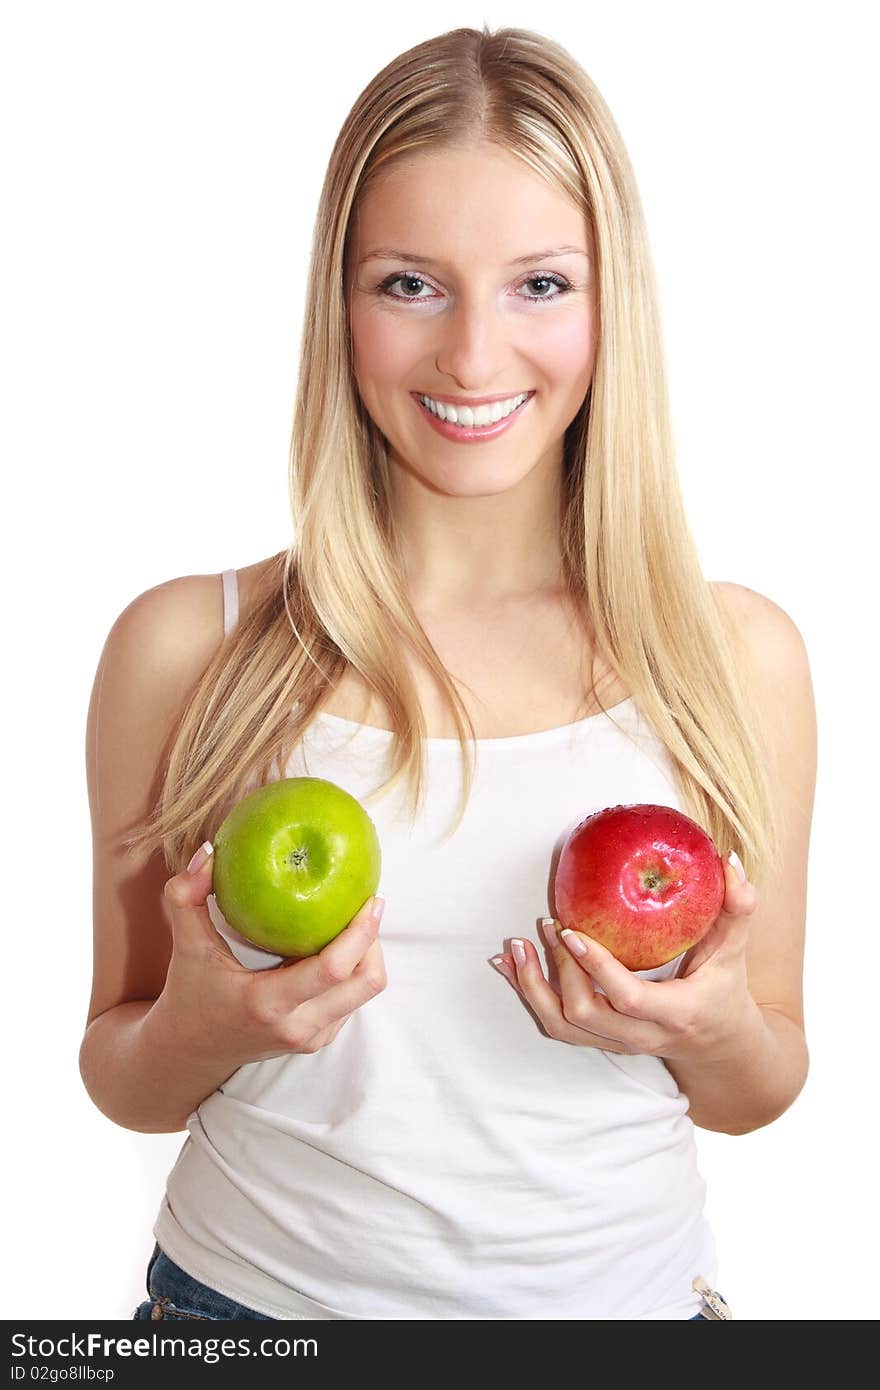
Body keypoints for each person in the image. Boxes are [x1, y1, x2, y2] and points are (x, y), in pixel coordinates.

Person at [80, 24, 815, 1322]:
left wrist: (705, 1032)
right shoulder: (189, 647)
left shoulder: (733, 659)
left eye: (540, 285)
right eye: (410, 284)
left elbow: (764, 1083)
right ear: (338, 300)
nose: (473, 357)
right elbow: (122, 1067)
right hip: (242, 1322)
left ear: (612, 303)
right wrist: (210, 1024)